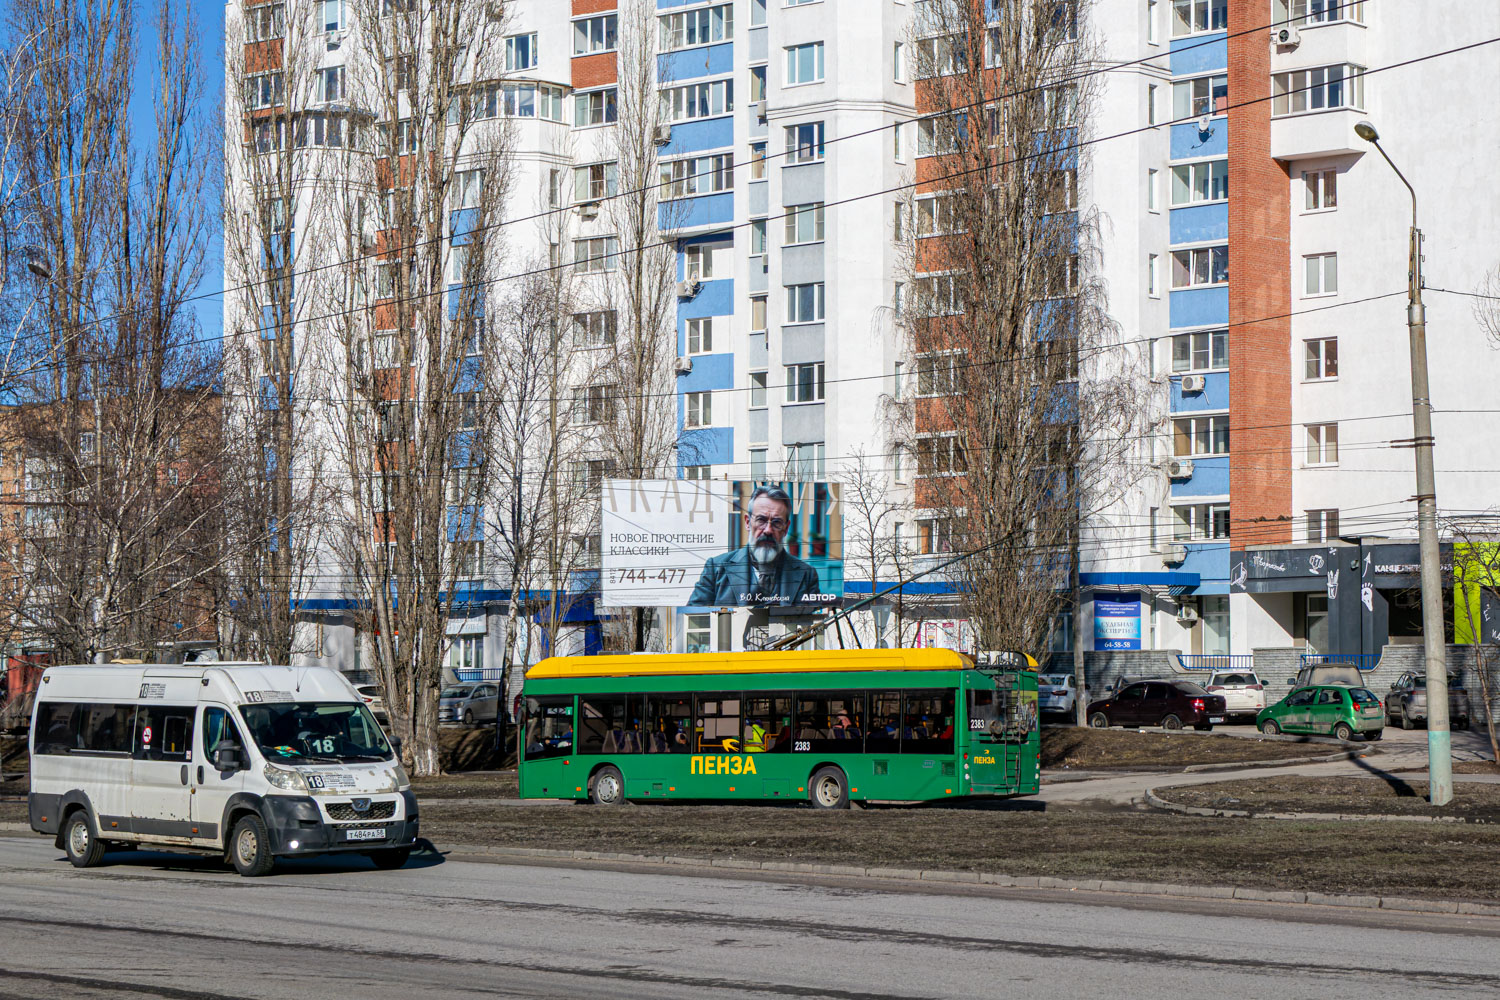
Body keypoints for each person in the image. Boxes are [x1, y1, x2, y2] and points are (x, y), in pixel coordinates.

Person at [688, 485, 825, 607]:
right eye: (761, 520)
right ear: (748, 522)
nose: (768, 530)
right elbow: (696, 615)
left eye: (776, 522)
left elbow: (813, 624)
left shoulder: (806, 574)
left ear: (786, 528)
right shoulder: (716, 568)